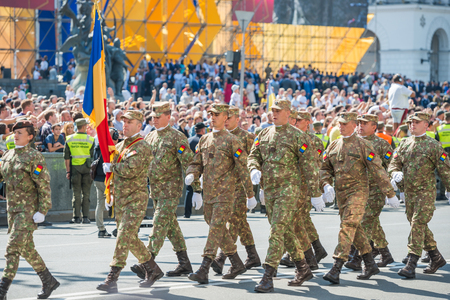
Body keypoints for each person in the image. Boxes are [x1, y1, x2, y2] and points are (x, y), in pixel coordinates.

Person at [248, 99, 325, 293]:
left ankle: (267, 275)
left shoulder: (298, 136)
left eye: (278, 110)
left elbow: (310, 167)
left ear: (288, 113)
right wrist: (254, 169)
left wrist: (315, 194)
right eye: (272, 110)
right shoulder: (264, 133)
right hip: (271, 191)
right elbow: (253, 155)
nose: (273, 113)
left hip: (289, 191)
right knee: (286, 230)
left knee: (277, 231)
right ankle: (303, 267)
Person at [320, 112, 398, 284]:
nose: (341, 126)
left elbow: (378, 170)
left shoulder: (363, 145)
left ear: (353, 125)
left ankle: (336, 267)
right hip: (341, 195)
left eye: (345, 124)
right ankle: (370, 263)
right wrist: (325, 185)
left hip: (359, 193)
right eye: (339, 123)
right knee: (356, 229)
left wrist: (390, 193)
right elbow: (324, 168)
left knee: (347, 227)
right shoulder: (333, 145)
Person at [185, 103, 256, 284]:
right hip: (209, 193)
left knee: (215, 227)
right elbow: (196, 162)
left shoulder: (233, 140)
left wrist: (250, 194)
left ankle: (204, 268)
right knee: (215, 226)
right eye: (211, 114)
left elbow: (242, 168)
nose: (213, 117)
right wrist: (192, 176)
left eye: (217, 114)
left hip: (226, 194)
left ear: (226, 117)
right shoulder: (205, 139)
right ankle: (236, 262)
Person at [130, 102, 199, 281]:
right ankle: (184, 263)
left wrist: (197, 188)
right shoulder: (150, 136)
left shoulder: (178, 137)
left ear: (168, 116)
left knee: (159, 224)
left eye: (158, 117)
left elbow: (189, 162)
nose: (154, 120)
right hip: (156, 190)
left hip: (171, 190)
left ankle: (147, 262)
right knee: (171, 228)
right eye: (152, 117)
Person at [97, 111, 161, 293]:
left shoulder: (142, 146)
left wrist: (113, 167)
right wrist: (111, 195)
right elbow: (115, 174)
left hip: (135, 198)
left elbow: (131, 169)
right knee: (130, 239)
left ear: (139, 125)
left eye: (129, 122)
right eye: (123, 121)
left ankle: (112, 277)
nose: (124, 125)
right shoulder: (121, 145)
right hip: (122, 199)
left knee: (123, 235)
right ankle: (153, 270)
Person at [0, 120, 59, 300]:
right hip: (13, 210)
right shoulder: (8, 155)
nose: (15, 135)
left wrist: (43, 210)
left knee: (12, 248)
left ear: (30, 136)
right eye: (14, 132)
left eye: (20, 133)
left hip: (28, 211)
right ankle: (48, 280)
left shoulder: (35, 157)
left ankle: (2, 290)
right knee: (27, 249)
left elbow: (43, 185)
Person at [389, 112, 449, 279]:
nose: (412, 125)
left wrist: (449, 189)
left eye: (416, 122)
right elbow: (394, 163)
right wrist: (395, 174)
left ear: (426, 125)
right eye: (410, 122)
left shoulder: (433, 145)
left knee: (417, 222)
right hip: (409, 192)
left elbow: (445, 169)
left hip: (425, 192)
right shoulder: (404, 143)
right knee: (417, 224)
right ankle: (436, 257)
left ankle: (411, 263)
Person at [211, 106, 261, 275]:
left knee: (233, 221)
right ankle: (252, 255)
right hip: (225, 188)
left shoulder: (247, 137)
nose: (225, 121)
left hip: (240, 187)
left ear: (237, 119)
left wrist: (252, 191)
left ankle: (222, 257)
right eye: (224, 118)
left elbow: (253, 161)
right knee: (240, 222)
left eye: (229, 118)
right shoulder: (220, 136)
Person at [344, 114, 397, 271]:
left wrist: (391, 182)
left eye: (365, 123)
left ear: (374, 126)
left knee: (364, 221)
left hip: (375, 191)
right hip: (358, 190)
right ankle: (385, 254)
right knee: (372, 223)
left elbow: (392, 163)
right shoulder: (354, 142)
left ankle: (356, 256)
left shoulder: (381, 144)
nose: (360, 126)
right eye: (359, 123)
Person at [292, 111, 328, 266]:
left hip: (306, 185)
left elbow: (315, 165)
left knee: (298, 219)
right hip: (292, 184)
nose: (295, 123)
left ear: (307, 122)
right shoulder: (291, 137)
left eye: (298, 120)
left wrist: (318, 188)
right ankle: (316, 249)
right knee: (301, 219)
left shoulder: (314, 141)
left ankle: (305, 253)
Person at [64, 119, 95, 224]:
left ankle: (76, 217)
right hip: (87, 168)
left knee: (76, 193)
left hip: (75, 168)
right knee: (86, 194)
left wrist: (68, 171)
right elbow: (92, 156)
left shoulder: (69, 138)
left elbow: (66, 157)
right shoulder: (90, 139)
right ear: (84, 126)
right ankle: (86, 217)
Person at [93, 128, 119, 238]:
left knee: (100, 204)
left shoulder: (98, 147)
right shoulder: (110, 149)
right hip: (108, 180)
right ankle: (119, 227)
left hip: (97, 179)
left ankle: (101, 229)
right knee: (117, 203)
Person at [185, 122, 206, 218]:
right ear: (202, 130)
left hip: (189, 167)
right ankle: (204, 210)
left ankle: (187, 212)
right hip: (201, 167)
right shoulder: (203, 140)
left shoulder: (189, 140)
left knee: (189, 190)